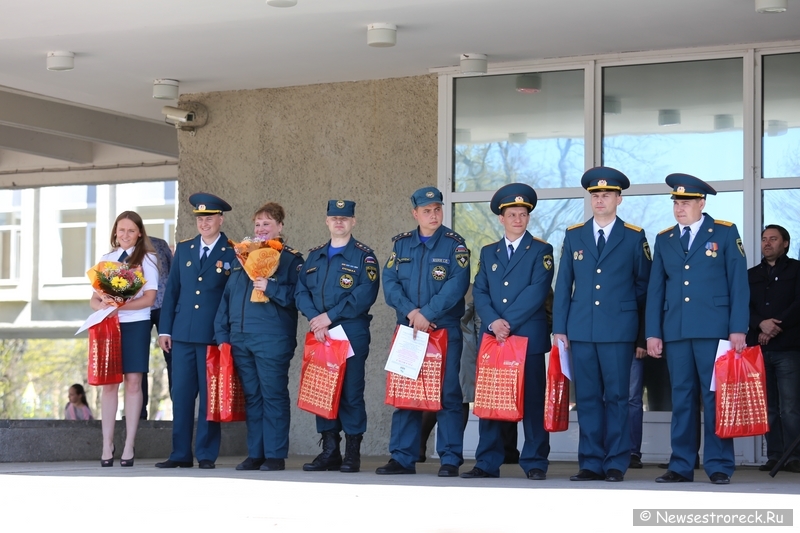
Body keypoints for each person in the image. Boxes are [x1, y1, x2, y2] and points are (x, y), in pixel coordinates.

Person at [646, 174, 749, 485]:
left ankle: (718, 465)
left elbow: (739, 284)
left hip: (714, 330)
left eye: (686, 202)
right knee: (682, 399)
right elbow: (655, 290)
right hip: (676, 330)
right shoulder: (664, 239)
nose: (680, 208)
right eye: (676, 202)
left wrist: (737, 328)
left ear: (701, 203)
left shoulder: (725, 233)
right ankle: (681, 465)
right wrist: (653, 331)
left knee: (714, 397)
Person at [553, 167, 651, 482]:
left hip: (619, 331)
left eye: (606, 194)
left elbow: (643, 288)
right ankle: (591, 462)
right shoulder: (574, 234)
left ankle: (615, 462)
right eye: (595, 194)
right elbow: (564, 284)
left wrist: (638, 334)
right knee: (588, 399)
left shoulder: (634, 236)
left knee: (618, 398)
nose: (600, 199)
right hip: (581, 330)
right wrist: (560, 328)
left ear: (618, 199)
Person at [462, 183, 553, 480]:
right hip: (496, 339)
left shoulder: (542, 250)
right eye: (512, 214)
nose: (518, 219)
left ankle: (536, 462)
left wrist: (506, 322)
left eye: (522, 214)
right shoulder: (489, 252)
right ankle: (486, 462)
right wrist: (493, 322)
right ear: (501, 218)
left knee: (532, 402)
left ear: (528, 218)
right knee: (491, 402)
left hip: (526, 338)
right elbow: (482, 292)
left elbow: (537, 291)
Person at [377, 186, 470, 477]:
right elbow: (390, 282)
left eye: (437, 209)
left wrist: (427, 313)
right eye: (427, 211)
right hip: (410, 330)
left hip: (443, 329)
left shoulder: (455, 245)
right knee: (405, 394)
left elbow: (457, 285)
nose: (433, 215)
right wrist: (413, 314)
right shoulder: (402, 245)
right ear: (415, 214)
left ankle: (450, 457)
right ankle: (402, 458)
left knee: (449, 395)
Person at [214, 202, 303, 472]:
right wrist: (222, 334)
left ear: (280, 227)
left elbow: (297, 297)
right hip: (240, 337)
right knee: (253, 397)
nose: (262, 228)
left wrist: (271, 286)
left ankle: (274, 455)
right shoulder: (242, 256)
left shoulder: (290, 259)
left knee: (273, 395)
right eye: (258, 224)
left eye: (267, 223)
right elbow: (227, 298)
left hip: (272, 337)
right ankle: (256, 453)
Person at [295, 200, 379, 473]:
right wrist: (315, 320)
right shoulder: (315, 255)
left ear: (353, 221)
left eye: (345, 218)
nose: (339, 222)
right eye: (334, 218)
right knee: (323, 389)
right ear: (327, 221)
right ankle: (330, 450)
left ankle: (352, 452)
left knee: (351, 392)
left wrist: (329, 317)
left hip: (350, 330)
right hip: (320, 333)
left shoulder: (364, 257)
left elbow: (365, 293)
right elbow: (300, 292)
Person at [155, 193, 235, 470]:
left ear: (220, 220)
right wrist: (165, 330)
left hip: (212, 336)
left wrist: (226, 334)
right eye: (201, 218)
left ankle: (206, 454)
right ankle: (179, 453)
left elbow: (231, 298)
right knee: (182, 395)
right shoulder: (185, 249)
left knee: (210, 398)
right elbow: (172, 292)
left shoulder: (232, 252)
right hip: (181, 335)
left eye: (210, 218)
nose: (204, 223)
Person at [90, 211, 158, 467]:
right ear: (115, 232)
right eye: (121, 230)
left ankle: (129, 444)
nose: (126, 235)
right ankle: (107, 444)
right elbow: (93, 299)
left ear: (140, 232)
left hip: (136, 325)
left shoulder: (148, 259)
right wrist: (105, 306)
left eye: (131, 230)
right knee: (109, 384)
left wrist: (119, 306)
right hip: (109, 326)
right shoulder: (106, 259)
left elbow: (149, 299)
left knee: (133, 382)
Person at [747, 224, 800, 474]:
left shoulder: (797, 269)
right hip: (760, 350)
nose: (767, 243)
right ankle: (775, 456)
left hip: (788, 347)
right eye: (764, 239)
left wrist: (775, 326)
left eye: (773, 239)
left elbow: (798, 304)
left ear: (785, 243)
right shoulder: (750, 274)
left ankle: (794, 456)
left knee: (790, 407)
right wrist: (760, 324)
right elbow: (743, 306)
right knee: (768, 407)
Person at [141, 235, 174, 419]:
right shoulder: (121, 253)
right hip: (139, 310)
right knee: (138, 362)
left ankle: (180, 408)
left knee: (173, 356)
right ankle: (138, 411)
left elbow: (173, 273)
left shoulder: (159, 244)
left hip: (163, 305)